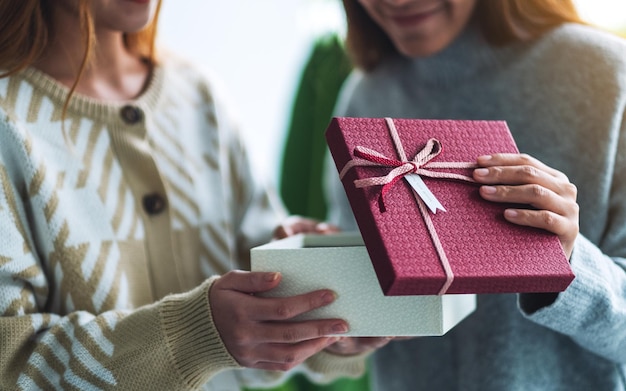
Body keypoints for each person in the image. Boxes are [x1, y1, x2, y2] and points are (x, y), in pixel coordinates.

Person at [0, 1, 385, 389]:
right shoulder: (8, 125)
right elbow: (8, 366)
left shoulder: (198, 94)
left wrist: (324, 318)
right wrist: (193, 337)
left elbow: (255, 316)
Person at [325, 0, 626, 390]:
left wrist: (569, 261)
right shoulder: (364, 97)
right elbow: (366, 303)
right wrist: (333, 309)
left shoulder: (606, 75)